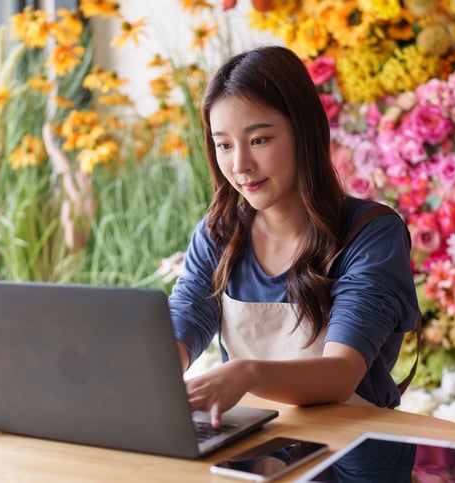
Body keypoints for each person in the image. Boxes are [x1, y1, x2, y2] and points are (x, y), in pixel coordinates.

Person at [168, 45, 419, 427]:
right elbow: (184, 322)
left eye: (259, 140)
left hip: (352, 453)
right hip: (248, 448)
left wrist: (247, 373)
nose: (240, 166)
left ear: (305, 132)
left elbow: (341, 374)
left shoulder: (371, 234)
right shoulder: (219, 234)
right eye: (223, 145)